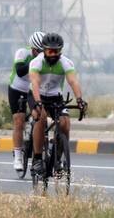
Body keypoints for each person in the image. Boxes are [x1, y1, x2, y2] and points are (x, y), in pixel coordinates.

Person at [28, 32, 87, 177]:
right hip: (37, 95)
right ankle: (37, 159)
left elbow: (73, 81)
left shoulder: (66, 63)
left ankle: (57, 158)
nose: (53, 54)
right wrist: (38, 102)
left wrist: (79, 99)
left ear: (61, 50)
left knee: (65, 124)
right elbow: (35, 83)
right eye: (50, 51)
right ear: (44, 50)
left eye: (56, 51)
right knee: (40, 119)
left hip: (56, 96)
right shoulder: (36, 62)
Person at [9, 31, 46, 172]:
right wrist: (35, 61)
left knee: (40, 116)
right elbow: (19, 71)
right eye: (39, 51)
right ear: (33, 49)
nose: (42, 54)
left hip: (33, 89)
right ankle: (18, 155)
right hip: (17, 88)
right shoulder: (22, 53)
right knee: (19, 120)